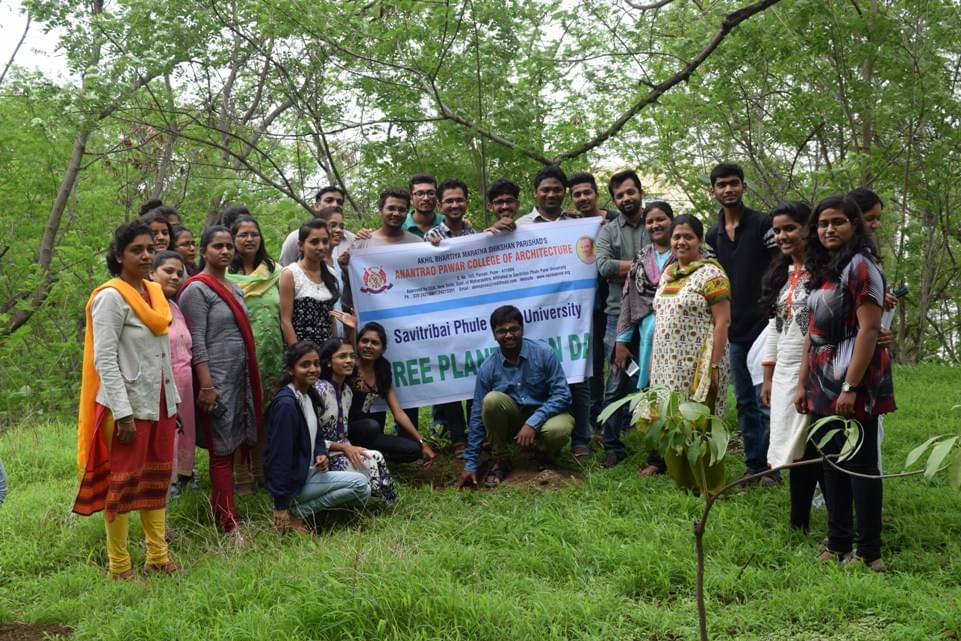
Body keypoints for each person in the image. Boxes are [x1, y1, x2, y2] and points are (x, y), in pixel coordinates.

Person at [72, 221, 180, 579]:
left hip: (160, 403)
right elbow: (105, 359)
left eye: (150, 248)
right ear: (119, 256)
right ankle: (119, 566)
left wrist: (174, 404)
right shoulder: (110, 297)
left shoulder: (155, 292)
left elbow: (162, 354)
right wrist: (123, 413)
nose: (147, 255)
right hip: (126, 408)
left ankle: (157, 557)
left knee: (157, 481)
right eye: (137, 250)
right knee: (121, 485)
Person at [795, 195, 894, 572]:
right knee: (830, 461)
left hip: (857, 378)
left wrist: (851, 387)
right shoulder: (821, 269)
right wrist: (804, 383)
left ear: (855, 225)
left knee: (862, 464)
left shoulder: (862, 267)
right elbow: (809, 331)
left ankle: (870, 552)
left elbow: (869, 330)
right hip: (821, 379)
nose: (829, 229)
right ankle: (838, 543)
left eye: (837, 222)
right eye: (822, 224)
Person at [179, 226, 262, 535]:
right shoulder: (196, 290)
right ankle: (228, 522)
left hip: (239, 379)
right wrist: (208, 386)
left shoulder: (234, 286)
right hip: (216, 381)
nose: (225, 251)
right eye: (217, 246)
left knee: (235, 445)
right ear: (204, 251)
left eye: (229, 246)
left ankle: (225, 511)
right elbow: (195, 342)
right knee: (221, 450)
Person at [704, 162, 776, 482]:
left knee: (767, 399)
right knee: (745, 401)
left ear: (744, 187)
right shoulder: (712, 234)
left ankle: (774, 467)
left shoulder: (764, 224)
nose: (728, 189)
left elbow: (781, 264)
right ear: (713, 191)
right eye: (721, 185)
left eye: (734, 183)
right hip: (734, 330)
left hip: (766, 325)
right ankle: (753, 465)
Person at [516, 166, 591, 461]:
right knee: (534, 372)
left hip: (570, 313)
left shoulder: (578, 224)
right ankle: (531, 432)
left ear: (565, 193)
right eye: (545, 189)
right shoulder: (519, 227)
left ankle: (582, 439)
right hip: (532, 314)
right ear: (535, 192)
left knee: (579, 372)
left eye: (557, 189)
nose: (550, 194)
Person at [455, 305, 575, 488]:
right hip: (514, 422)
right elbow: (477, 415)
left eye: (513, 329)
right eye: (502, 331)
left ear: (522, 329)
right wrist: (470, 463)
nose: (508, 335)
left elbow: (562, 394)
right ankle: (502, 459)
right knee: (491, 400)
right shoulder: (488, 368)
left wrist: (533, 422)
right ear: (494, 335)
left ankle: (545, 454)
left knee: (559, 430)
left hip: (545, 417)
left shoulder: (544, 353)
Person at [757, 202, 822, 530]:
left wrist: (803, 378)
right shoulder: (782, 276)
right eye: (778, 230)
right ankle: (799, 521)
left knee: (813, 444)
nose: (782, 236)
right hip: (784, 371)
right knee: (794, 450)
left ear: (807, 229)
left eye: (790, 229)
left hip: (814, 369)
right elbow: (775, 327)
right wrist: (768, 377)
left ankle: (830, 517)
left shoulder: (822, 274)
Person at [264, 341, 371, 534]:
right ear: (291, 370)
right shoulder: (286, 405)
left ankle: (301, 511)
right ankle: (291, 513)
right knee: (361, 485)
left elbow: (318, 435)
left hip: (309, 472)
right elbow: (279, 457)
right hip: (294, 484)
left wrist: (320, 453)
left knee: (365, 482)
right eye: (305, 365)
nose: (313, 369)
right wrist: (280, 503)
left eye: (315, 364)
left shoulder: (308, 394)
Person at [648, 214, 731, 432]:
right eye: (677, 237)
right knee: (670, 420)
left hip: (697, 364)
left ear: (700, 241)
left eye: (688, 237)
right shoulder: (668, 274)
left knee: (697, 423)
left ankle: (702, 467)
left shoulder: (712, 274)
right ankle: (675, 466)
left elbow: (723, 321)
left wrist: (713, 366)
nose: (681, 242)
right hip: (666, 364)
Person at [612, 202, 676, 476]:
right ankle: (656, 459)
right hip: (648, 340)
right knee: (651, 397)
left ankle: (681, 457)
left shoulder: (688, 255)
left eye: (660, 219)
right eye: (650, 221)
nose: (655, 225)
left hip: (680, 340)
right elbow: (629, 301)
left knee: (678, 395)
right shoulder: (641, 259)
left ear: (671, 221)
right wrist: (622, 341)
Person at [597, 170, 651, 467]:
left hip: (657, 314)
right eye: (620, 195)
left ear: (640, 192)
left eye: (631, 192)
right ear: (614, 200)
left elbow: (675, 255)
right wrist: (648, 264)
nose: (626, 198)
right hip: (618, 315)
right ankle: (612, 444)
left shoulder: (656, 220)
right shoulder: (608, 231)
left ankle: (661, 444)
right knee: (617, 379)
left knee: (657, 378)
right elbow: (604, 267)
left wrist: (630, 268)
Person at [228, 214, 284, 494]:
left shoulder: (276, 271)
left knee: (265, 412)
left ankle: (261, 467)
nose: (249, 239)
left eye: (254, 234)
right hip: (238, 354)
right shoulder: (223, 274)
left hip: (272, 353)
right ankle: (241, 472)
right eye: (242, 235)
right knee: (241, 413)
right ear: (232, 239)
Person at [313, 338, 397, 504]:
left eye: (352, 356)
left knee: (375, 458)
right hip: (320, 455)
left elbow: (342, 432)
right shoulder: (318, 390)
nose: (349, 360)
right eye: (342, 356)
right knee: (364, 479)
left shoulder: (347, 393)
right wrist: (344, 448)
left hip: (342, 449)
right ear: (329, 362)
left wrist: (350, 448)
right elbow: (310, 436)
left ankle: (383, 505)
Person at [347, 322, 437, 463]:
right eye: (364, 341)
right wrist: (350, 329)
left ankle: (375, 458)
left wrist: (422, 443)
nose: (368, 346)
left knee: (413, 450)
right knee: (371, 425)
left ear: (383, 349)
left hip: (368, 436)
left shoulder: (382, 371)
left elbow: (399, 413)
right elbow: (346, 349)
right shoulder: (350, 366)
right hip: (345, 431)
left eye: (375, 343)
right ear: (358, 344)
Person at [150, 251, 197, 493]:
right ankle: (162, 488)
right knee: (165, 439)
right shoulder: (145, 307)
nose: (175, 277)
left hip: (185, 382)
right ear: (151, 272)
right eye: (168, 271)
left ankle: (183, 480)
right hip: (160, 386)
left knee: (184, 434)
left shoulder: (174, 307)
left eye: (179, 273)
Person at [280, 219, 340, 347]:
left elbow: (332, 318)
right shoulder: (290, 274)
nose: (321, 247)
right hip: (301, 352)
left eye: (325, 241)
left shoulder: (330, 273)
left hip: (327, 352)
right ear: (300, 245)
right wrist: (298, 355)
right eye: (314, 242)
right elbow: (285, 321)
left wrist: (336, 349)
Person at [279, 204, 349, 267]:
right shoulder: (300, 269)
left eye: (341, 227)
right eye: (332, 225)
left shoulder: (338, 263)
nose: (338, 230)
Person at [405, 173, 443, 237]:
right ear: (411, 199)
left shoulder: (447, 223)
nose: (426, 198)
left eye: (431, 193)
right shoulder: (400, 226)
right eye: (420, 194)